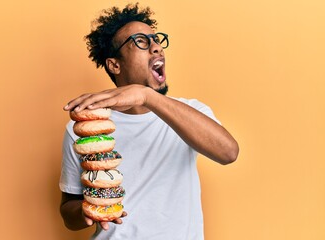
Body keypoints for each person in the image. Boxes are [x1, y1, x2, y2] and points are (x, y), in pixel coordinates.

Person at [59, 3, 239, 239]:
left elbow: (229, 152)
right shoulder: (83, 130)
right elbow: (68, 210)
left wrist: (147, 96)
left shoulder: (190, 111)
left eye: (156, 40)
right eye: (141, 41)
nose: (156, 48)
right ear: (115, 65)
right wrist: (87, 211)